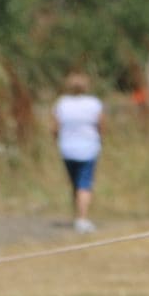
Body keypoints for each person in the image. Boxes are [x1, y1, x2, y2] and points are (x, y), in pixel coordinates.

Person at [50, 71, 103, 234]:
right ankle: (82, 218)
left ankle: (78, 215)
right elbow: (101, 125)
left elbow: (54, 128)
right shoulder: (93, 103)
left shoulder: (62, 103)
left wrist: (58, 139)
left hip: (67, 148)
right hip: (88, 148)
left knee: (75, 183)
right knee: (84, 184)